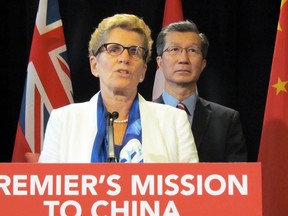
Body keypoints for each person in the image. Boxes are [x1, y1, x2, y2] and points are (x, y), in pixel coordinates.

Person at [38, 14, 199, 163]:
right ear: (94, 65)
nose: (124, 58)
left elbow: (191, 188)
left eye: (134, 51)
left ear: (143, 71)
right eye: (114, 49)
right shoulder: (63, 120)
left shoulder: (174, 121)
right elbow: (47, 188)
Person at [154, 20, 247, 162]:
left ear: (203, 64)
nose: (183, 59)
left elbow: (237, 179)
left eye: (192, 50)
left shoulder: (226, 120)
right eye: (174, 49)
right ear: (160, 62)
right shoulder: (141, 117)